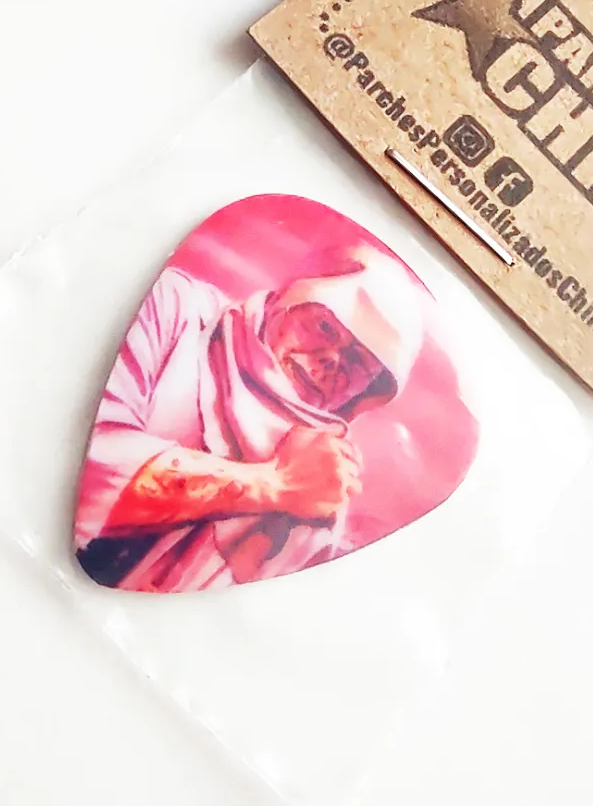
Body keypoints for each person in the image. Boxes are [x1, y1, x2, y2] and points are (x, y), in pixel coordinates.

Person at [75, 244, 426, 592]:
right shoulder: (177, 309)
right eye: (324, 327)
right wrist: (275, 485)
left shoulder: (326, 479)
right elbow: (94, 472)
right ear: (291, 300)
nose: (333, 359)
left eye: (360, 362)